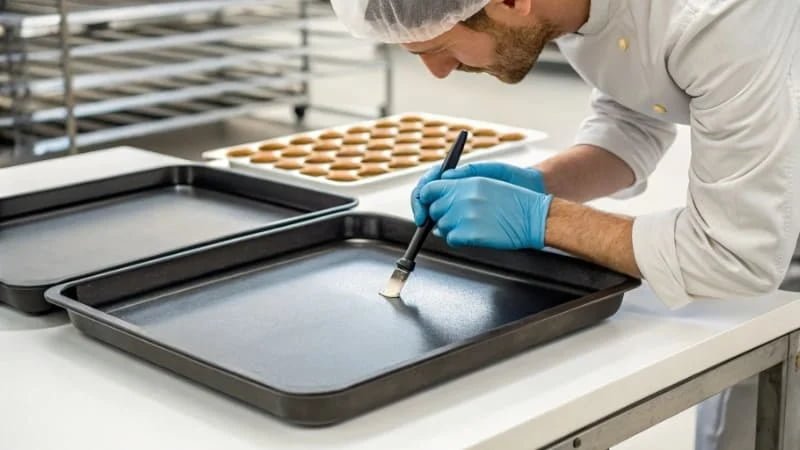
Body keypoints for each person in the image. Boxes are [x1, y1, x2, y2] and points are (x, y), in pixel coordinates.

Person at [330, 0, 800, 448]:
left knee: (767, 410)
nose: (437, 71)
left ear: (512, 2)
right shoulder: (562, 12)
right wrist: (541, 182)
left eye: (437, 47)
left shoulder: (722, 19)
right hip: (767, 156)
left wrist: (543, 218)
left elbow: (732, 256)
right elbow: (634, 115)